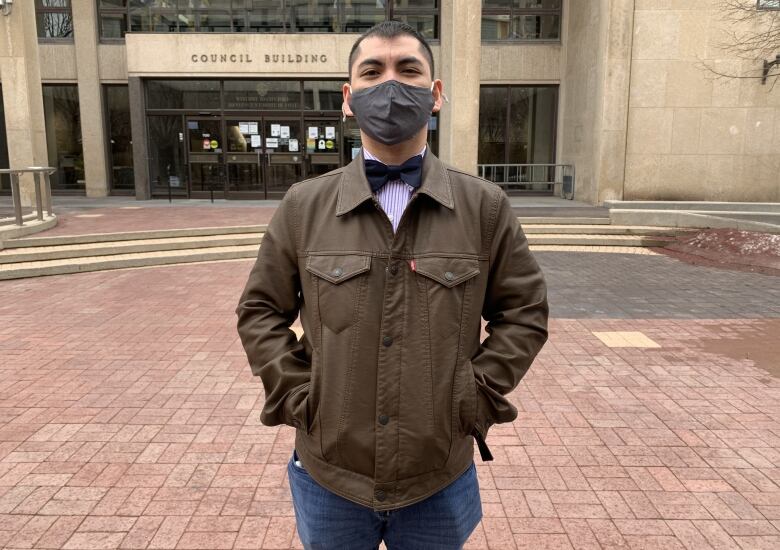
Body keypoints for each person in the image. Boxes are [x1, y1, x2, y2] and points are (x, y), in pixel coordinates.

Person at [236, 20, 549, 550]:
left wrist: (474, 397)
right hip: (330, 475)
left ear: (436, 95)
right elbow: (260, 310)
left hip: (439, 477)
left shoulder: (484, 208)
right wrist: (297, 395)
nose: (390, 86)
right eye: (372, 72)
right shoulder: (304, 206)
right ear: (348, 98)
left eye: (409, 70)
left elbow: (524, 313)